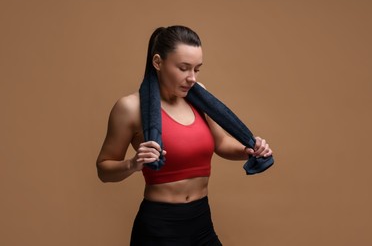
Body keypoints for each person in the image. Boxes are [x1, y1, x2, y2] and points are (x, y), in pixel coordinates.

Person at [96, 25, 273, 245]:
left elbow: (222, 143)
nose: (191, 78)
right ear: (158, 62)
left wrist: (250, 150)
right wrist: (133, 164)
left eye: (197, 69)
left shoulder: (200, 97)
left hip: (201, 222)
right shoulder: (130, 107)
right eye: (183, 68)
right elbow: (104, 168)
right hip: (159, 228)